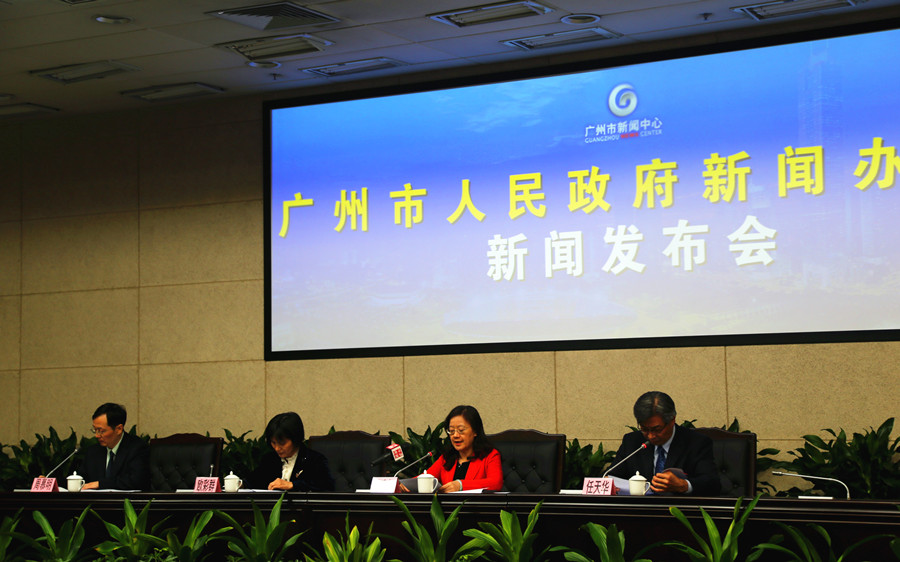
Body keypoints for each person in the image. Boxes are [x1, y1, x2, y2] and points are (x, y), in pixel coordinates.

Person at [607, 391, 721, 496]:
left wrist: (683, 485)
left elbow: (712, 483)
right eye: (644, 429)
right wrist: (609, 485)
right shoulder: (632, 442)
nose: (650, 436)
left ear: (672, 420)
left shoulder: (696, 442)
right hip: (640, 509)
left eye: (657, 429)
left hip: (679, 508)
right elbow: (610, 475)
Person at [422, 405, 503, 493]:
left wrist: (460, 485)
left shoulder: (490, 456)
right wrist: (409, 485)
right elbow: (423, 480)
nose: (455, 435)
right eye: (451, 431)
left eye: (461, 430)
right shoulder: (446, 458)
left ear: (475, 431)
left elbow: (495, 483)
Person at [246, 412, 335, 491]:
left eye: (282, 443)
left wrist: (293, 485)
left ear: (295, 439)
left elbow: (326, 486)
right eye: (273, 443)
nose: (277, 448)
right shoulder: (270, 459)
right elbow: (253, 481)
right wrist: (240, 484)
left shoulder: (314, 460)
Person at [80, 403, 150, 490]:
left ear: (119, 429)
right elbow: (82, 479)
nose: (97, 435)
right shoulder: (93, 451)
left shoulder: (137, 448)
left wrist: (100, 484)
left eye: (101, 431)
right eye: (95, 430)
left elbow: (135, 481)